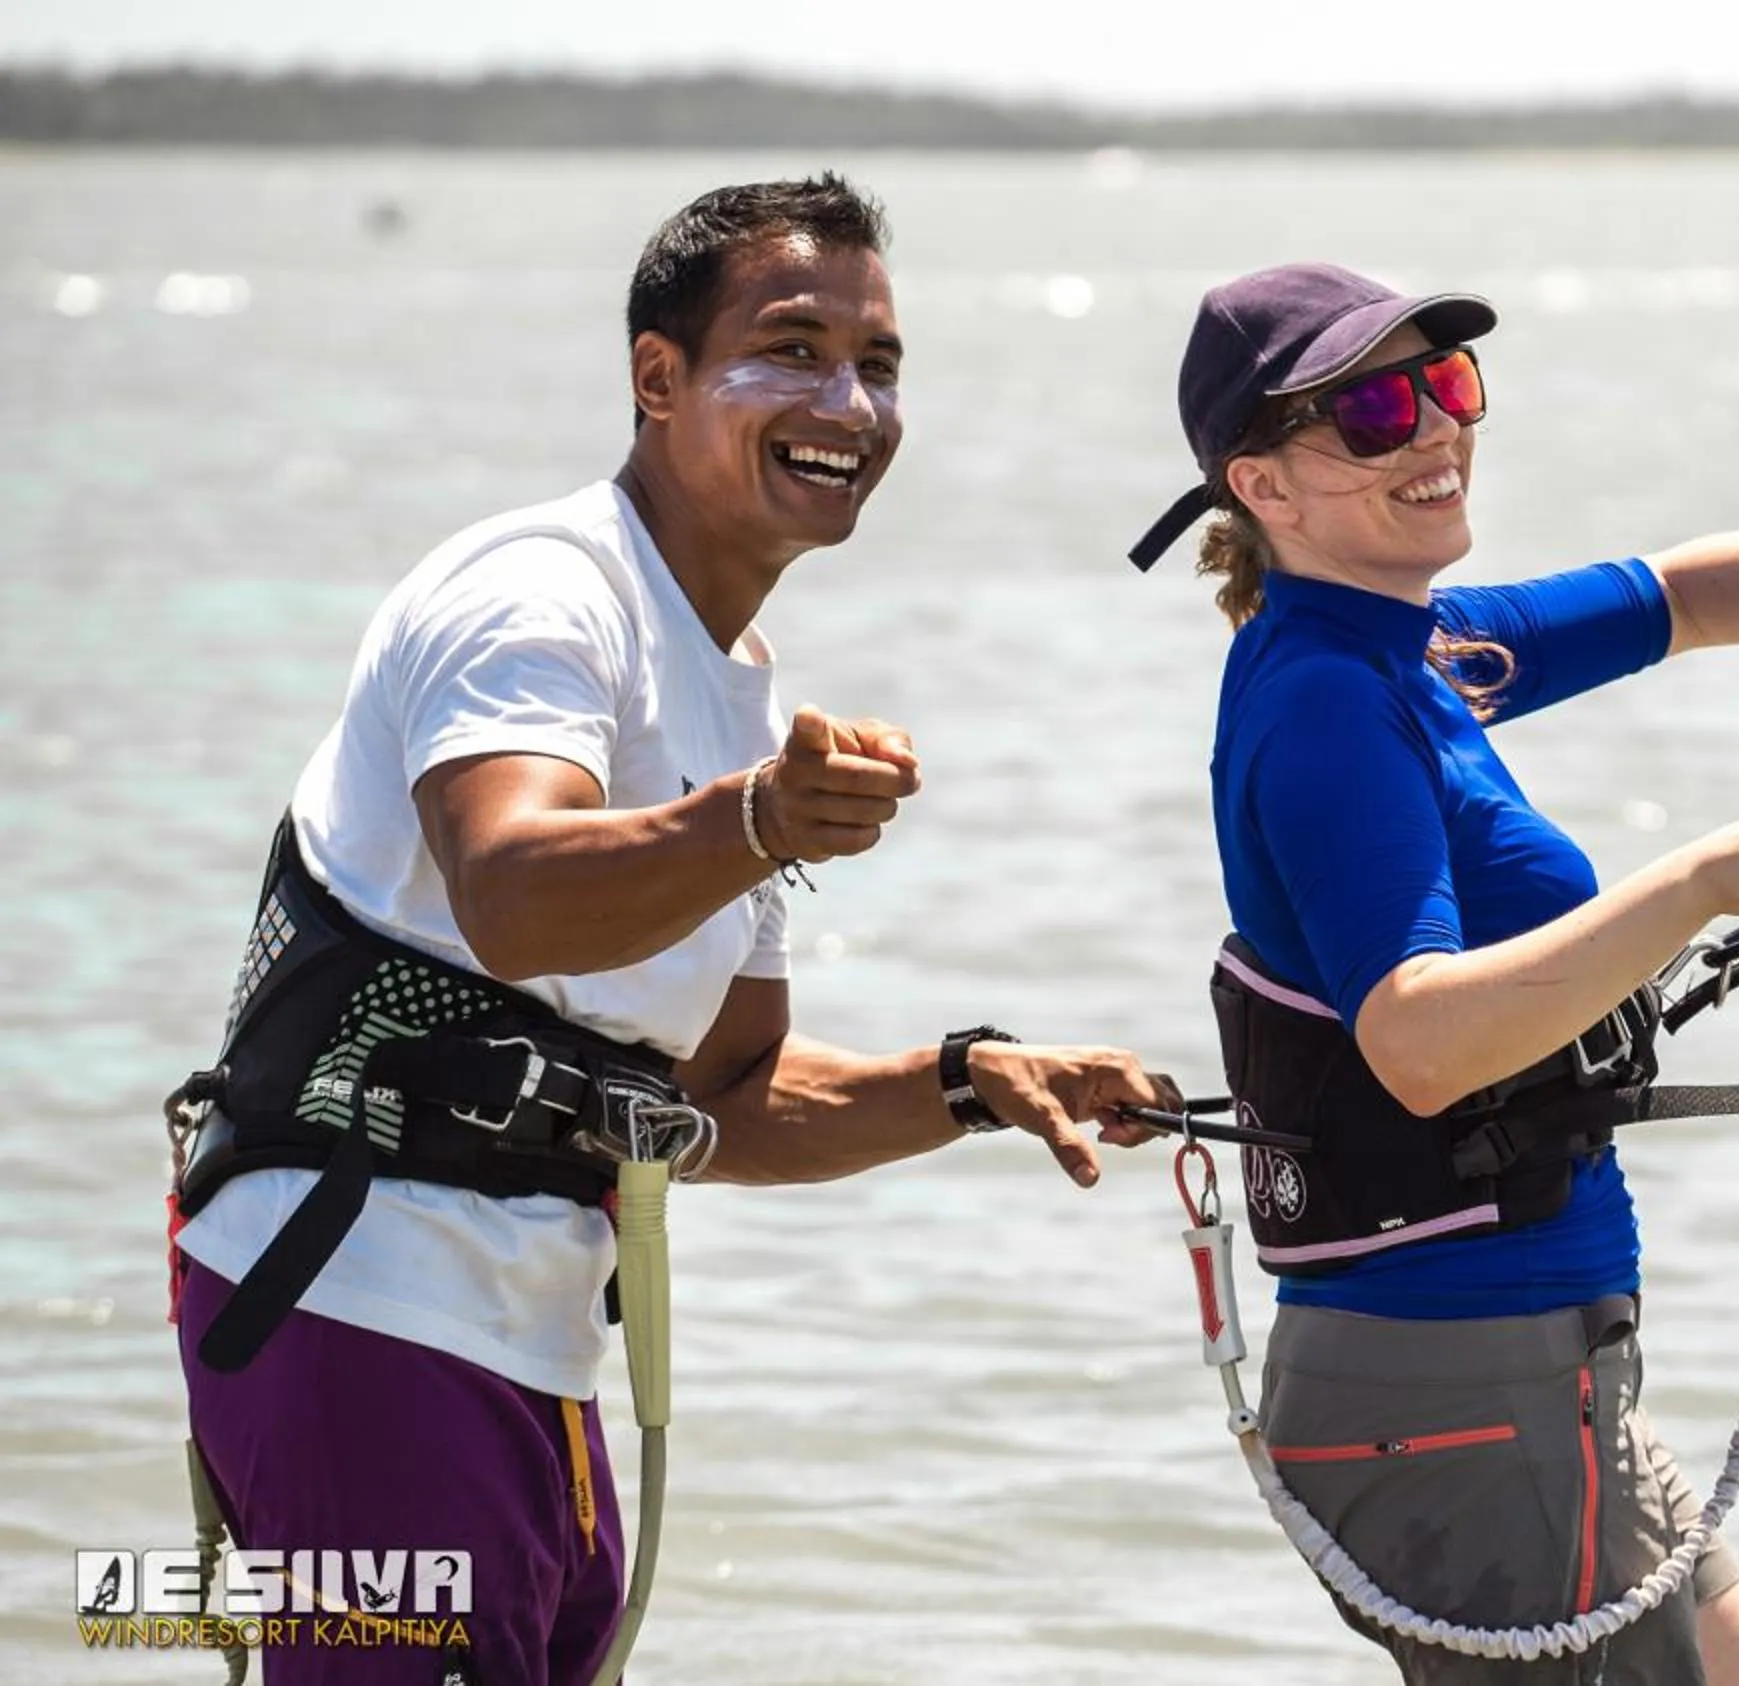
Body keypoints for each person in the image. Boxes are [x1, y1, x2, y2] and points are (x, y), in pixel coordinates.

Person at [165, 174, 1173, 1685]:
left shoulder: (743, 683)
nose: (848, 400)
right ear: (659, 378)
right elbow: (508, 890)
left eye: (879, 364)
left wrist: (966, 1081)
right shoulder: (539, 595)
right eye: (792, 348)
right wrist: (759, 818)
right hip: (354, 1303)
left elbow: (727, 1098)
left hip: (535, 1346)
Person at [1126, 263, 1739, 1685]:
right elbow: (1418, 1039)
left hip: (1532, 1372)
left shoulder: (1421, 650)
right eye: (1377, 408)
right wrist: (1696, 883)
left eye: (1446, 386)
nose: (1435, 432)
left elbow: (1686, 594)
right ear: (1261, 487)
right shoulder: (1329, 699)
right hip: (1460, 1381)